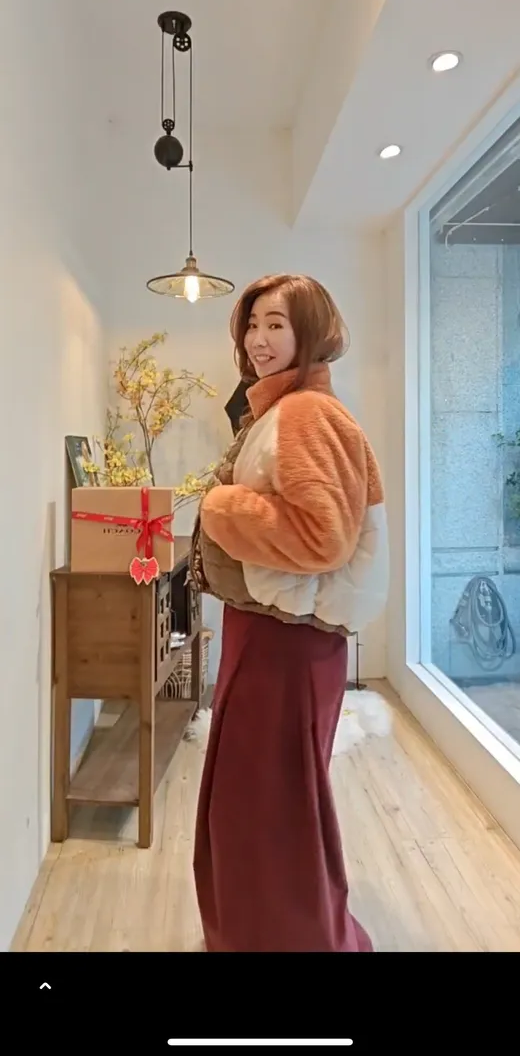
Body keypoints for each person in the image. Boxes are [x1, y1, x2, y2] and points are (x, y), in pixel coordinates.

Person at [189, 273, 389, 952]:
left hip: (285, 642)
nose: (258, 339)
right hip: (276, 634)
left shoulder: (304, 413)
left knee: (267, 811)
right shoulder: (286, 407)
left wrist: (220, 508)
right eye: (252, 324)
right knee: (269, 805)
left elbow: (322, 535)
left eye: (276, 324)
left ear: (311, 331)